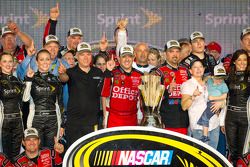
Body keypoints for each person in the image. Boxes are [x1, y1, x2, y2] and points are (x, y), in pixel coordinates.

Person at [58, 42, 104, 146]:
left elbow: (104, 94)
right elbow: (64, 78)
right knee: (75, 154)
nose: (85, 57)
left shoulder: (98, 72)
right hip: (74, 123)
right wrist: (62, 73)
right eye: (82, 54)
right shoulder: (70, 72)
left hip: (93, 122)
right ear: (77, 56)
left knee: (92, 155)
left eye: (88, 54)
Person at [22, 49, 63, 149]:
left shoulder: (56, 79)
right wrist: (29, 80)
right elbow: (25, 99)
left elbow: (60, 103)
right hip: (36, 119)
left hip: (53, 120)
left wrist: (62, 125)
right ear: (37, 62)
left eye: (47, 59)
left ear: (50, 61)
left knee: (51, 152)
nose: (45, 62)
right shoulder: (31, 77)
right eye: (42, 59)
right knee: (35, 150)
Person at [181, 59, 223, 149]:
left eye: (200, 67)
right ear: (190, 71)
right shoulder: (187, 84)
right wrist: (193, 96)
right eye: (195, 67)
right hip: (199, 127)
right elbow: (184, 107)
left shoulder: (210, 83)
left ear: (204, 69)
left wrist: (219, 105)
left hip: (214, 124)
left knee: (213, 155)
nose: (198, 69)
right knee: (202, 156)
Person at [101, 45, 142, 128]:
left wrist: (141, 116)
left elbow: (142, 100)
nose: (127, 59)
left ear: (133, 58)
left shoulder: (139, 75)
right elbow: (103, 93)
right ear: (119, 59)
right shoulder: (111, 73)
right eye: (124, 56)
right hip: (114, 118)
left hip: (132, 119)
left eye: (129, 56)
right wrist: (108, 71)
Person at [155, 40, 189, 135]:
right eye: (171, 51)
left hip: (184, 120)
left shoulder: (186, 70)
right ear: (165, 54)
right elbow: (153, 98)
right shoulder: (159, 71)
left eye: (177, 51)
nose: (175, 54)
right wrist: (167, 90)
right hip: (167, 120)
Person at [225, 49, 249, 166]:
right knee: (232, 150)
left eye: (245, 60)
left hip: (246, 117)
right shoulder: (228, 77)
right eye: (239, 60)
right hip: (230, 117)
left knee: (243, 151)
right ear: (234, 61)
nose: (242, 62)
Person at [0, 52, 24, 160]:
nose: (8, 64)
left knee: (16, 156)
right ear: (0, 64)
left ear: (14, 63)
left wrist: (28, 81)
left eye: (10, 61)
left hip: (18, 122)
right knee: (4, 156)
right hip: (3, 122)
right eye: (4, 61)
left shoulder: (18, 81)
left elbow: (24, 101)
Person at [197, 64, 228, 142]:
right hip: (199, 126)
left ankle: (205, 135)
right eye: (218, 78)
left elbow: (225, 98)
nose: (220, 80)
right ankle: (205, 135)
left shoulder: (223, 85)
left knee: (205, 118)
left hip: (215, 123)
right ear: (213, 76)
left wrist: (217, 100)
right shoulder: (208, 81)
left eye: (222, 78)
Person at [93, 53, 108, 129]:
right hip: (94, 114)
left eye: (104, 64)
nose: (102, 67)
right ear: (94, 65)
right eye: (99, 64)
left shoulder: (111, 77)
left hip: (107, 114)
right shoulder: (91, 78)